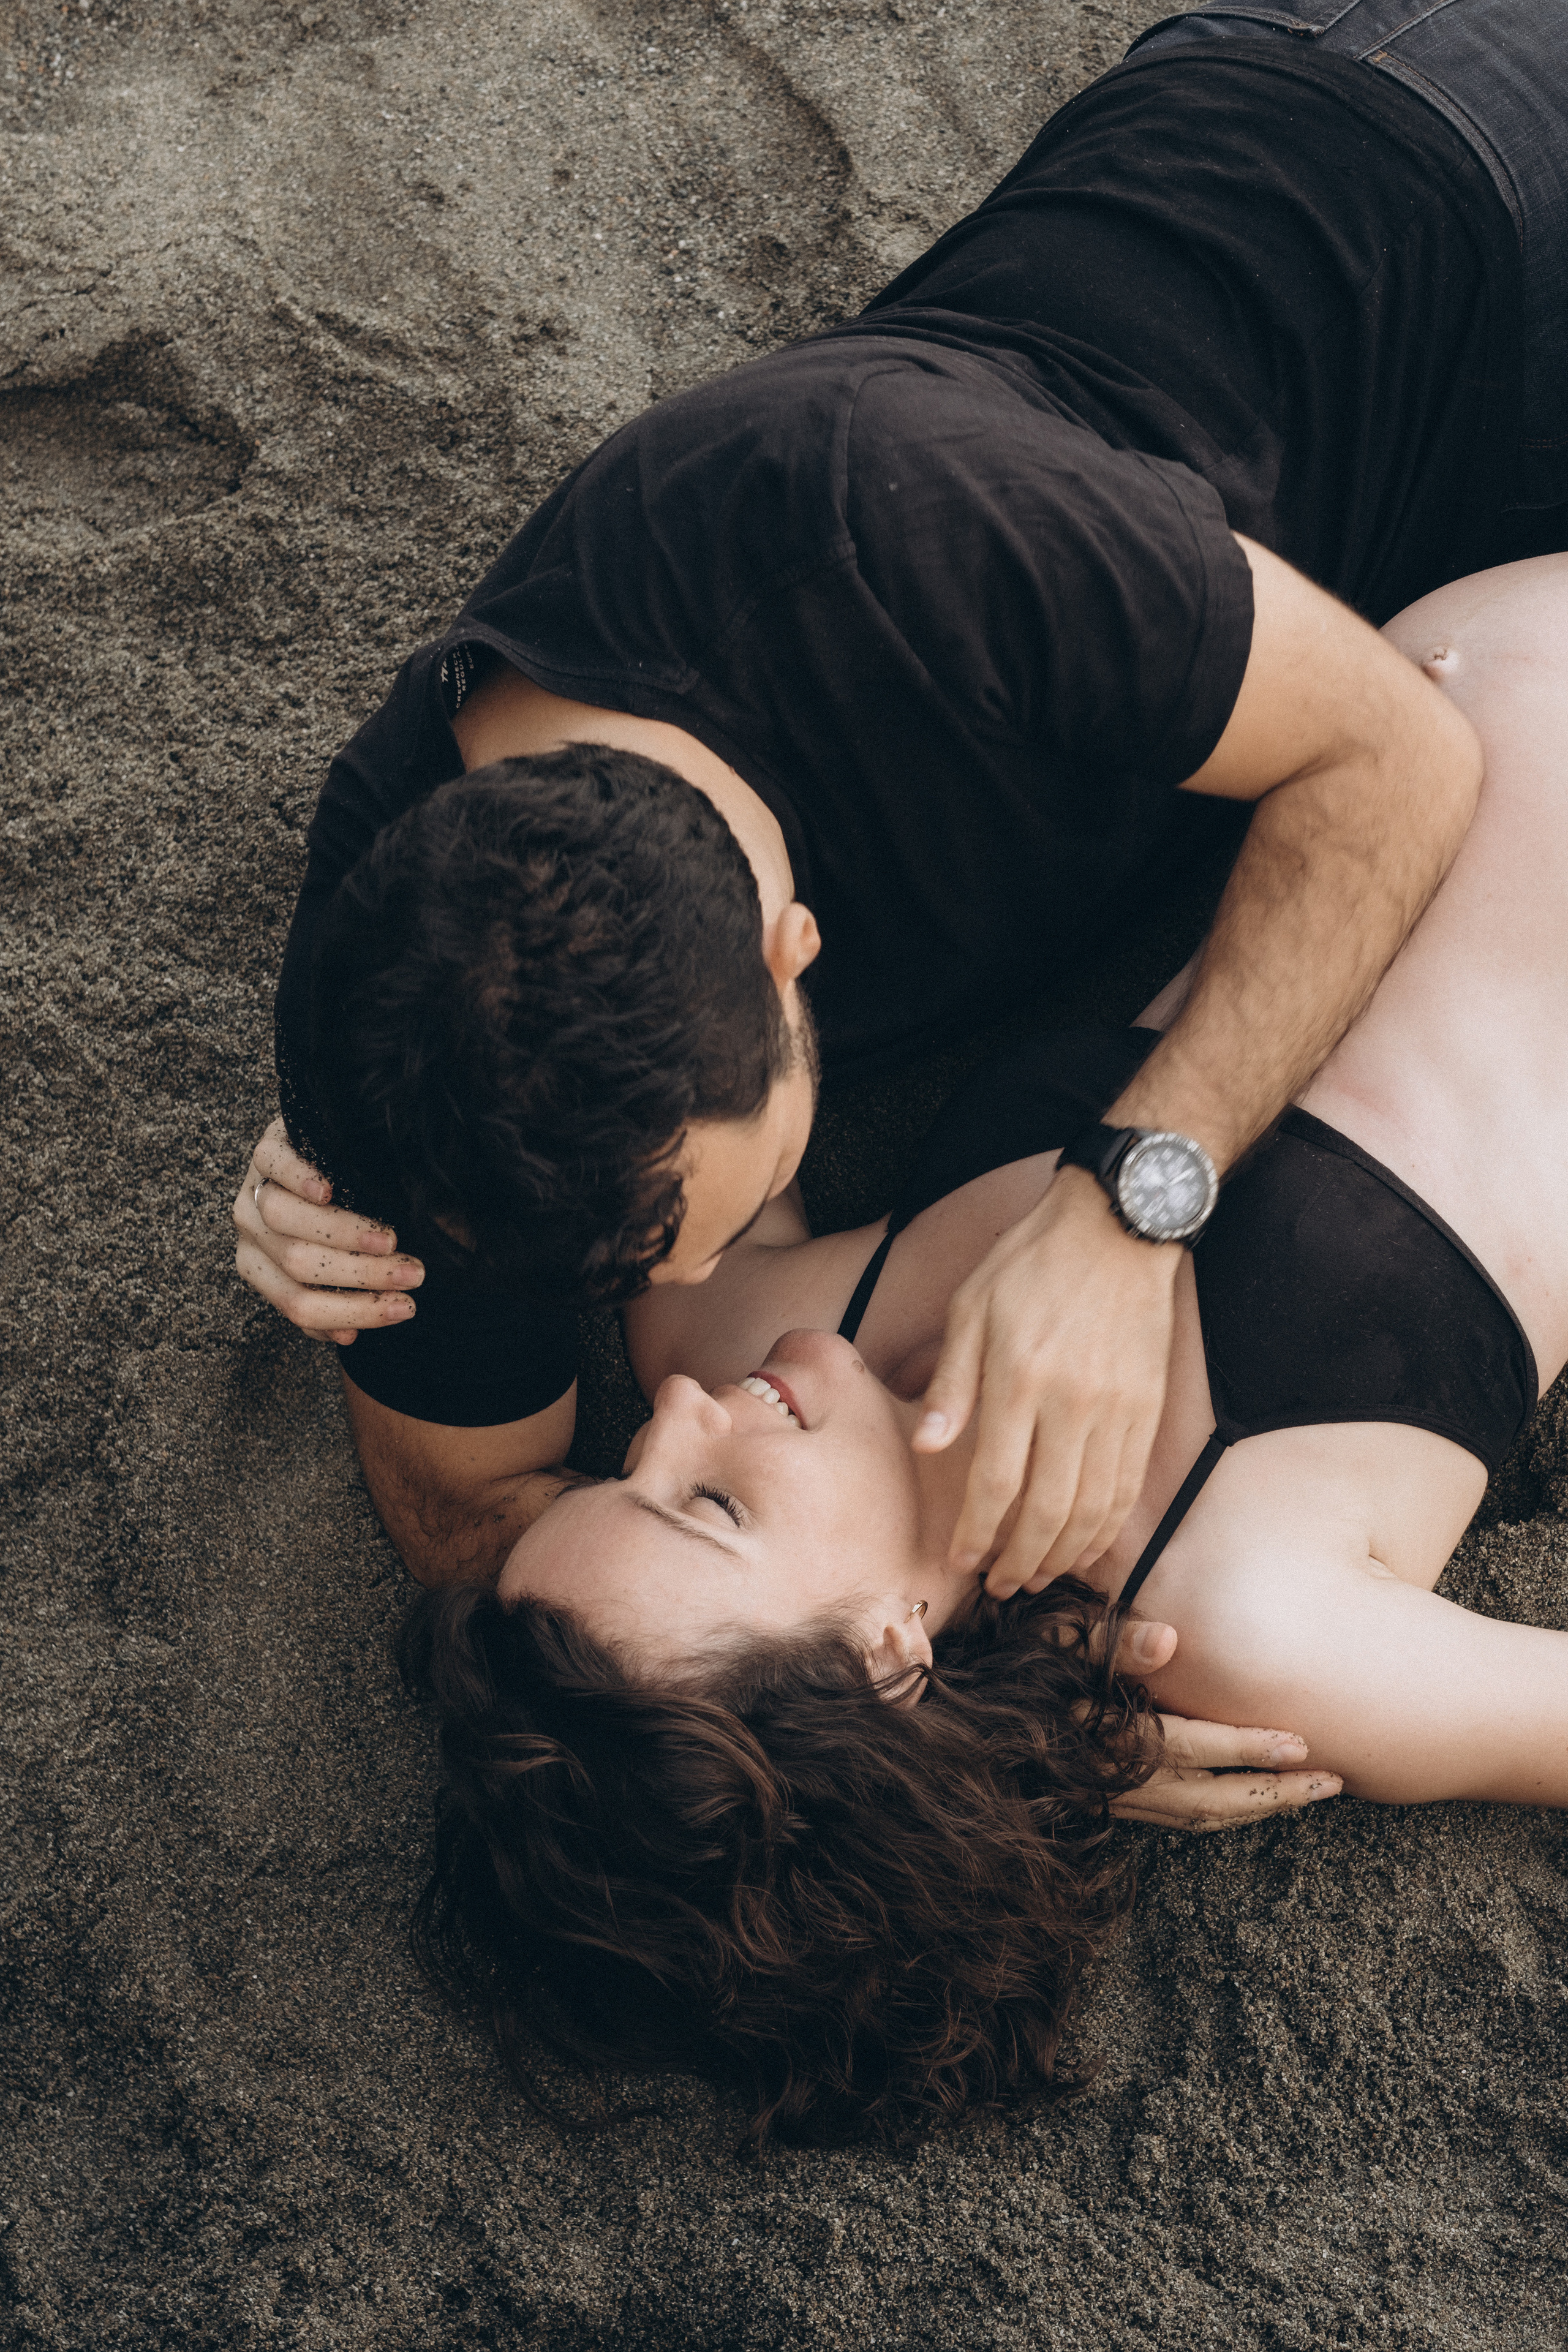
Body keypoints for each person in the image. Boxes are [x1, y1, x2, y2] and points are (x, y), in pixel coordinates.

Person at [235, 0, 1568, 1595]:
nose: (691, 1313)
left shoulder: (893, 534)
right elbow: (475, 1521)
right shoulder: (425, 1041)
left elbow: (1395, 763)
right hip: (1298, 592)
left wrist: (1130, 1212)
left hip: (1442, 197)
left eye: (695, 1232)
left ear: (796, 949)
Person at [402, 555, 1568, 2144]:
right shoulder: (1244, 1623)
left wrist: (355, 1166)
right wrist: (1055, 1755)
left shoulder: (755, 1332)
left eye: (629, 1465)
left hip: (1409, 645)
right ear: (887, 1654)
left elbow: (643, 1030)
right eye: (709, 1504)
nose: (675, 1412)